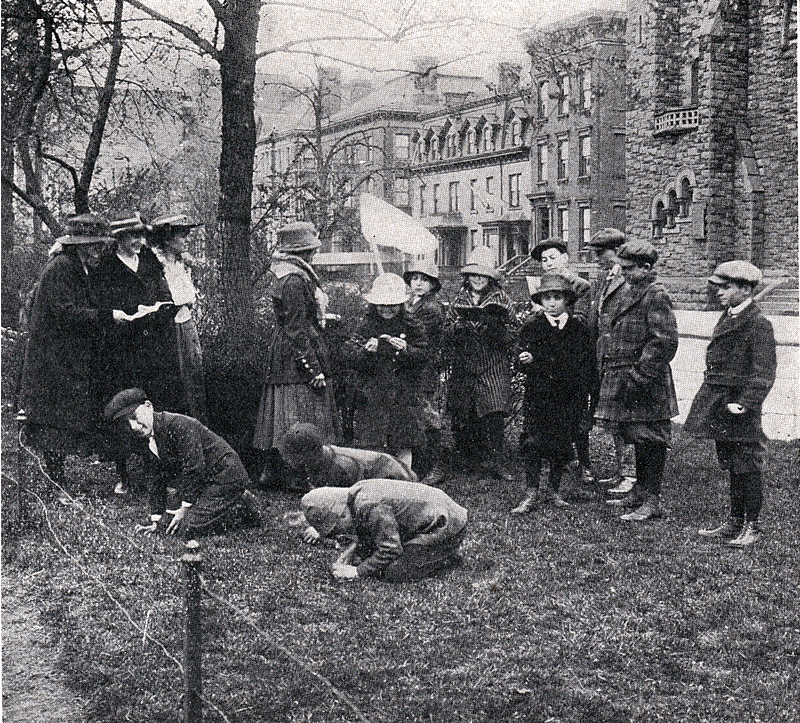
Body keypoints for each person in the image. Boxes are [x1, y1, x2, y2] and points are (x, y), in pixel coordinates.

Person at [19, 213, 134, 487]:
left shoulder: (77, 267)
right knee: (53, 421)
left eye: (100, 246)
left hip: (67, 356)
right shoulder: (61, 268)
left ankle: (58, 480)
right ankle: (57, 483)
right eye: (95, 246)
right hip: (53, 358)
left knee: (64, 418)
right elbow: (65, 312)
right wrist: (108, 316)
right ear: (80, 246)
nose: (99, 252)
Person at [684, 261, 777, 547]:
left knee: (747, 465)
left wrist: (746, 403)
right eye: (718, 287)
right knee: (732, 463)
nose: (719, 293)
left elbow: (763, 372)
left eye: (726, 288)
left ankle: (753, 525)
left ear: (746, 289)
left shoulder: (758, 323)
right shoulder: (729, 316)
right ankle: (734, 522)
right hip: (721, 402)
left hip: (739, 405)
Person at [594, 240, 679, 522]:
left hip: (647, 381)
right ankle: (640, 491)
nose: (624, 272)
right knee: (637, 437)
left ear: (646, 268)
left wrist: (639, 375)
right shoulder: (632, 290)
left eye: (629, 268)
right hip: (629, 379)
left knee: (652, 441)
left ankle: (652, 500)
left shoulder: (656, 294)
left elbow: (664, 342)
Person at [252, 222, 341, 487]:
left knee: (289, 414)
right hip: (293, 357)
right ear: (303, 252)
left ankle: (282, 472)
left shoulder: (292, 274)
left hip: (289, 351)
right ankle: (294, 475)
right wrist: (312, 369)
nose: (313, 254)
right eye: (310, 250)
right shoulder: (293, 280)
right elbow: (295, 330)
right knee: (298, 412)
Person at [105, 388, 262, 537]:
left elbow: (194, 467)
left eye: (134, 417)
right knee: (168, 526)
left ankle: (241, 503)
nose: (133, 426)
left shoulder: (179, 424)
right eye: (127, 422)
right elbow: (155, 477)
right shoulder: (148, 436)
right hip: (205, 481)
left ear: (148, 406)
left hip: (226, 475)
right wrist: (156, 520)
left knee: (187, 527)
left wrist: (185, 508)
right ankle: (222, 500)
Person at [511, 273, 594, 513]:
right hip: (539, 396)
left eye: (557, 297)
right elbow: (520, 358)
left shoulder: (578, 328)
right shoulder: (533, 326)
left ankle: (555, 490)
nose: (552, 303)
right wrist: (523, 360)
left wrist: (585, 396)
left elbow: (586, 364)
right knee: (533, 442)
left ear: (567, 300)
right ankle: (531, 492)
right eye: (546, 298)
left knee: (561, 443)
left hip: (567, 397)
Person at [93, 212, 185, 415]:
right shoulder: (106, 268)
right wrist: (123, 315)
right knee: (127, 401)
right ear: (119, 238)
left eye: (141, 236)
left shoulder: (149, 262)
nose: (139, 241)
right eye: (133, 236)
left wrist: (162, 307)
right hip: (123, 347)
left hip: (154, 345)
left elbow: (164, 292)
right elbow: (101, 306)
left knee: (159, 397)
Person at [298, 479, 468, 582]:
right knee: (368, 554)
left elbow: (390, 549)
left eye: (336, 528)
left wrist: (357, 572)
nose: (340, 533)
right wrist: (353, 550)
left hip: (447, 525)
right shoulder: (357, 493)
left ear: (342, 515)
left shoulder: (370, 506)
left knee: (395, 571)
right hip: (435, 515)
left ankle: (447, 555)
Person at [443, 247, 516, 483]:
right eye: (473, 275)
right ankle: (469, 459)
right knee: (465, 411)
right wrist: (458, 328)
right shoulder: (459, 299)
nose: (477, 279)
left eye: (482, 275)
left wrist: (496, 327)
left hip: (493, 362)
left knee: (493, 412)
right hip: (465, 364)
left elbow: (515, 333)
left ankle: (496, 461)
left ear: (491, 278)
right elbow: (446, 332)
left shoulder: (502, 299)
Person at [527, 238, 594, 490]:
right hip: (548, 363)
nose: (548, 264)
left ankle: (584, 463)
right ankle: (562, 459)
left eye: (553, 257)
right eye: (544, 260)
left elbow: (582, 318)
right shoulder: (542, 287)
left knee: (576, 413)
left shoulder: (581, 286)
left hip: (572, 357)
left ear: (565, 258)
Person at [343, 273, 428, 469]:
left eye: (392, 305)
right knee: (372, 440)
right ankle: (374, 479)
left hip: (403, 393)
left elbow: (425, 355)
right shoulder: (366, 325)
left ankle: (405, 479)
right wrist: (365, 351)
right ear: (374, 305)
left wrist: (406, 350)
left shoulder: (411, 325)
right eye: (382, 305)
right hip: (374, 393)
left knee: (404, 440)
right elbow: (349, 356)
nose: (386, 309)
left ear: (401, 305)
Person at [587, 228, 637, 494]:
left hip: (625, 361)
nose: (596, 258)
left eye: (601, 253)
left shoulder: (629, 281)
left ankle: (631, 474)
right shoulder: (606, 279)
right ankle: (621, 472)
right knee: (616, 421)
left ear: (617, 251)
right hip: (607, 360)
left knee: (628, 420)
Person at [147, 213, 207, 423]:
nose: (186, 240)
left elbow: (189, 296)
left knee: (194, 376)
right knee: (176, 379)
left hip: (186, 324)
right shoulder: (156, 265)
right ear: (167, 238)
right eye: (182, 235)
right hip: (169, 328)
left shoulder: (182, 264)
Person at [403, 260, 446, 484]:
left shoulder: (431, 308)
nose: (418, 283)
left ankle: (435, 467)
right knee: (416, 416)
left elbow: (416, 333)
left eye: (424, 279)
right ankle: (418, 465)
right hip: (412, 367)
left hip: (425, 369)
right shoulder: (412, 301)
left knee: (428, 418)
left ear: (433, 284)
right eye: (415, 278)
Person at [280, 421, 418, 490]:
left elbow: (351, 502)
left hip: (399, 483)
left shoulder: (340, 467)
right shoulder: (321, 459)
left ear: (308, 454)